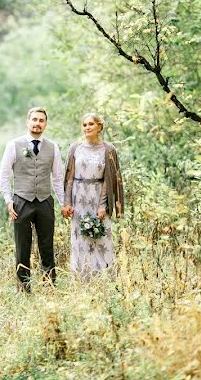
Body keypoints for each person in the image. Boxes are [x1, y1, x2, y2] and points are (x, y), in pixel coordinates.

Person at [0, 107, 68, 292]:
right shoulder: (14, 145)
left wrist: (63, 203)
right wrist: (8, 199)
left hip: (45, 201)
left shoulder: (52, 147)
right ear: (27, 121)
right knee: (23, 246)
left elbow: (58, 178)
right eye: (34, 119)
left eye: (41, 120)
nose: (37, 123)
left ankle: (50, 286)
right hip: (21, 201)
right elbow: (4, 175)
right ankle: (24, 287)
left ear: (45, 124)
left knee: (47, 245)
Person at [62, 113, 124, 278]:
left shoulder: (108, 149)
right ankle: (82, 277)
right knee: (80, 237)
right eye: (84, 125)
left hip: (97, 196)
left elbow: (109, 179)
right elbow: (69, 177)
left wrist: (103, 204)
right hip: (78, 197)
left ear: (99, 127)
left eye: (91, 124)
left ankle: (104, 277)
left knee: (101, 235)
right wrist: (67, 202)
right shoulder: (75, 148)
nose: (87, 127)